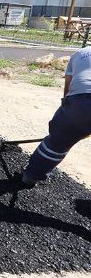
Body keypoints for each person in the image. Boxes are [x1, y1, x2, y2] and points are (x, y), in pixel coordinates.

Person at [20, 46, 91, 187]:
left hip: (82, 101)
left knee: (57, 143)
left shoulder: (80, 54)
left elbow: (68, 86)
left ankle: (31, 176)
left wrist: (70, 120)